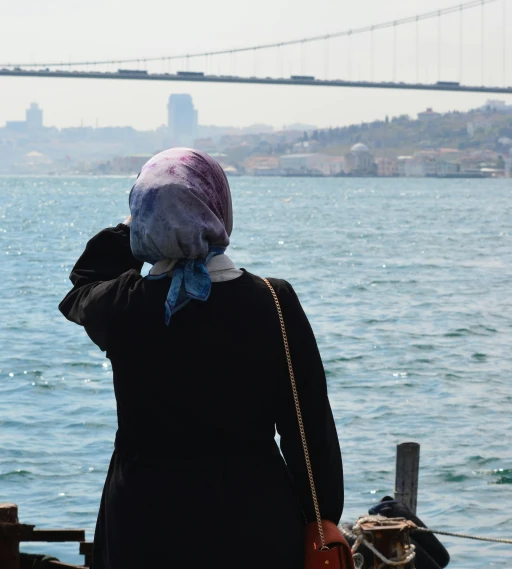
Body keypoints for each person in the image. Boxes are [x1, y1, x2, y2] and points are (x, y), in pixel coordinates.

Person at [59, 148, 343, 569]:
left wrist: (137, 224)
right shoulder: (274, 302)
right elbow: (308, 428)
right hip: (254, 520)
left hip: (142, 521)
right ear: (219, 209)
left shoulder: (122, 305)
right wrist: (322, 518)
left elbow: (85, 281)